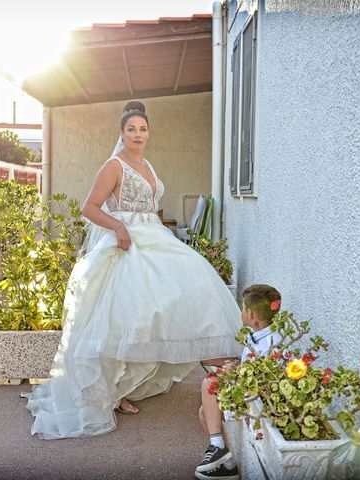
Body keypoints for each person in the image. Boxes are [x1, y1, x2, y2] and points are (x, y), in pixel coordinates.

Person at [25, 100, 242, 439]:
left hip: (155, 238)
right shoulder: (114, 165)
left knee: (192, 285)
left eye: (142, 129)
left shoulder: (148, 166)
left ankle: (195, 364)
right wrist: (118, 228)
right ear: (122, 133)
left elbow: (151, 207)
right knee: (124, 319)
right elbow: (90, 207)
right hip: (126, 243)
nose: (137, 134)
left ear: (148, 133)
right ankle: (112, 391)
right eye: (131, 129)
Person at [195, 284, 283, 480]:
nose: (240, 311)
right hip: (245, 384)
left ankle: (219, 449)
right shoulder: (258, 334)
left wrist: (235, 372)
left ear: (251, 315)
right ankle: (226, 462)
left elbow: (262, 377)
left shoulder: (271, 342)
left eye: (243, 308)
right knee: (204, 413)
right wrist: (232, 366)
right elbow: (249, 365)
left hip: (256, 396)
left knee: (210, 383)